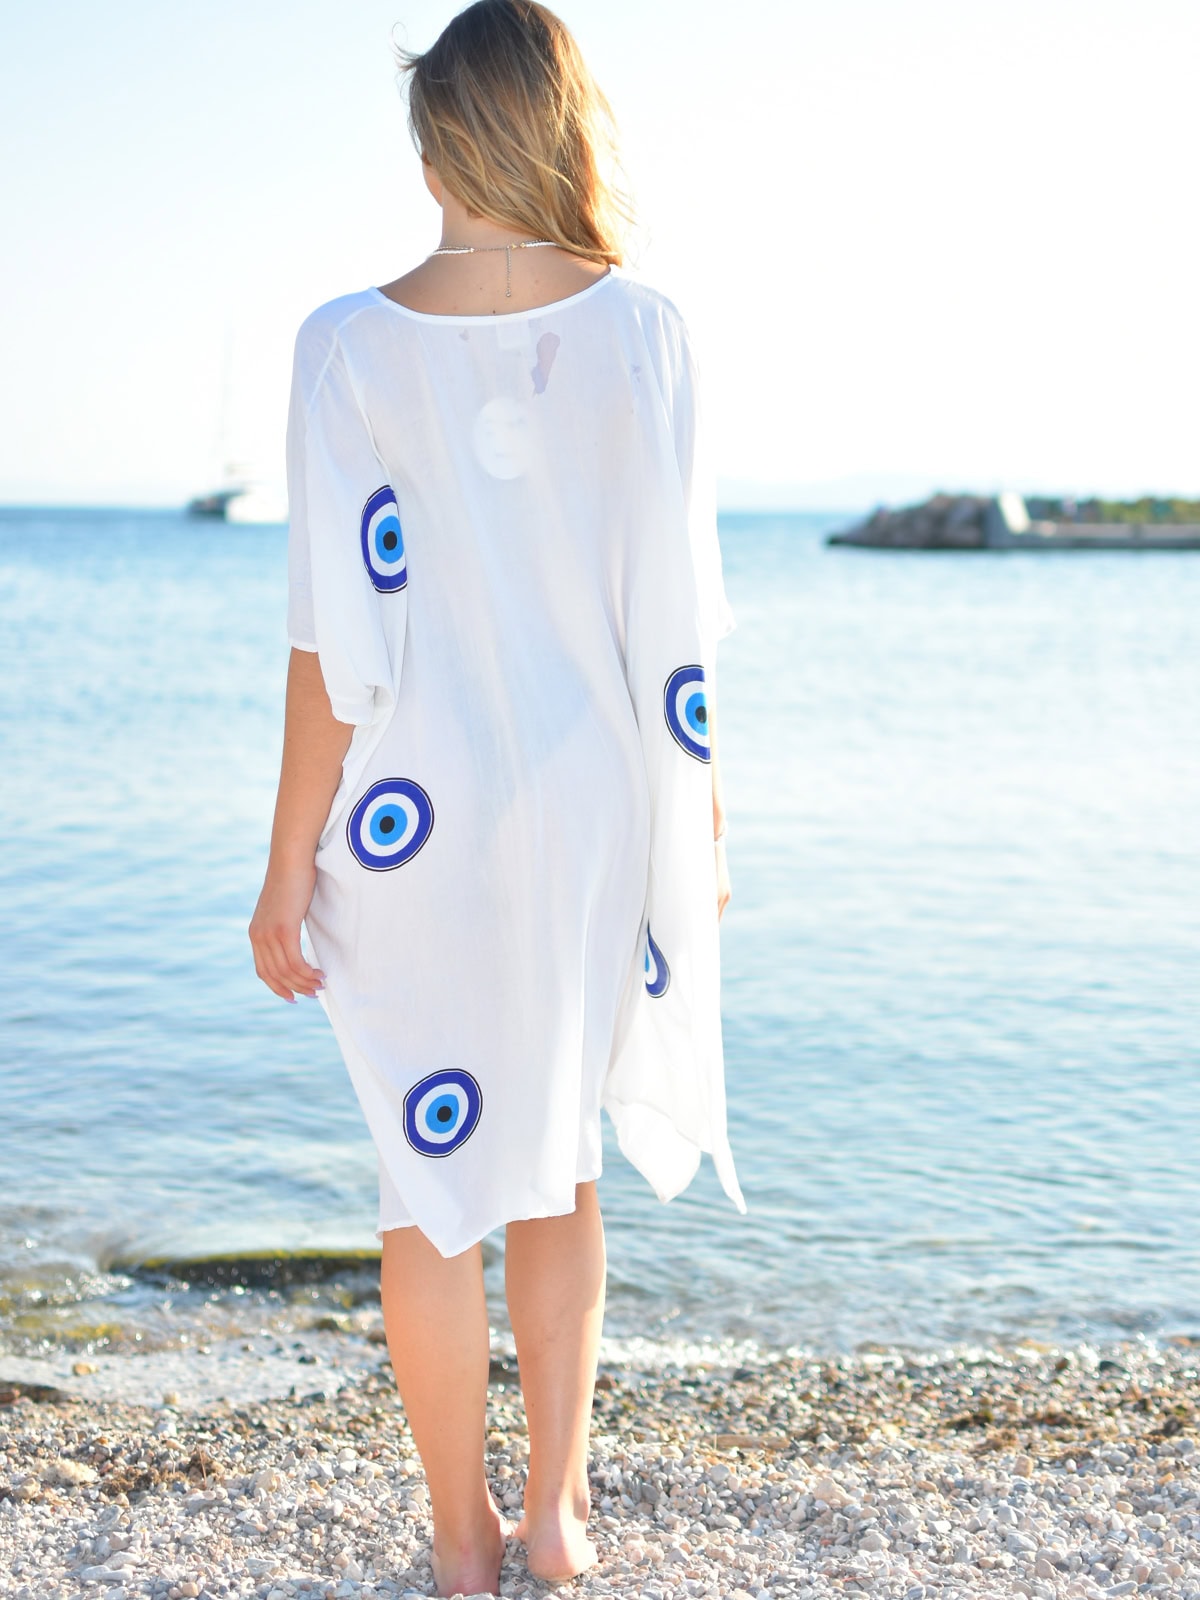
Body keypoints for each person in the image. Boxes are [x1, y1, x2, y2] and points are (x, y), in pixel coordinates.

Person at [248, 2, 745, 1593]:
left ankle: (462, 1542)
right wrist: (702, 826)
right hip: (593, 810)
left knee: (431, 1185)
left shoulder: (345, 345)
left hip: (417, 820)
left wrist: (284, 864)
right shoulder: (647, 331)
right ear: (567, 129)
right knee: (563, 1163)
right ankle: (556, 1517)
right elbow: (677, 622)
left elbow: (330, 643)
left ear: (433, 145)